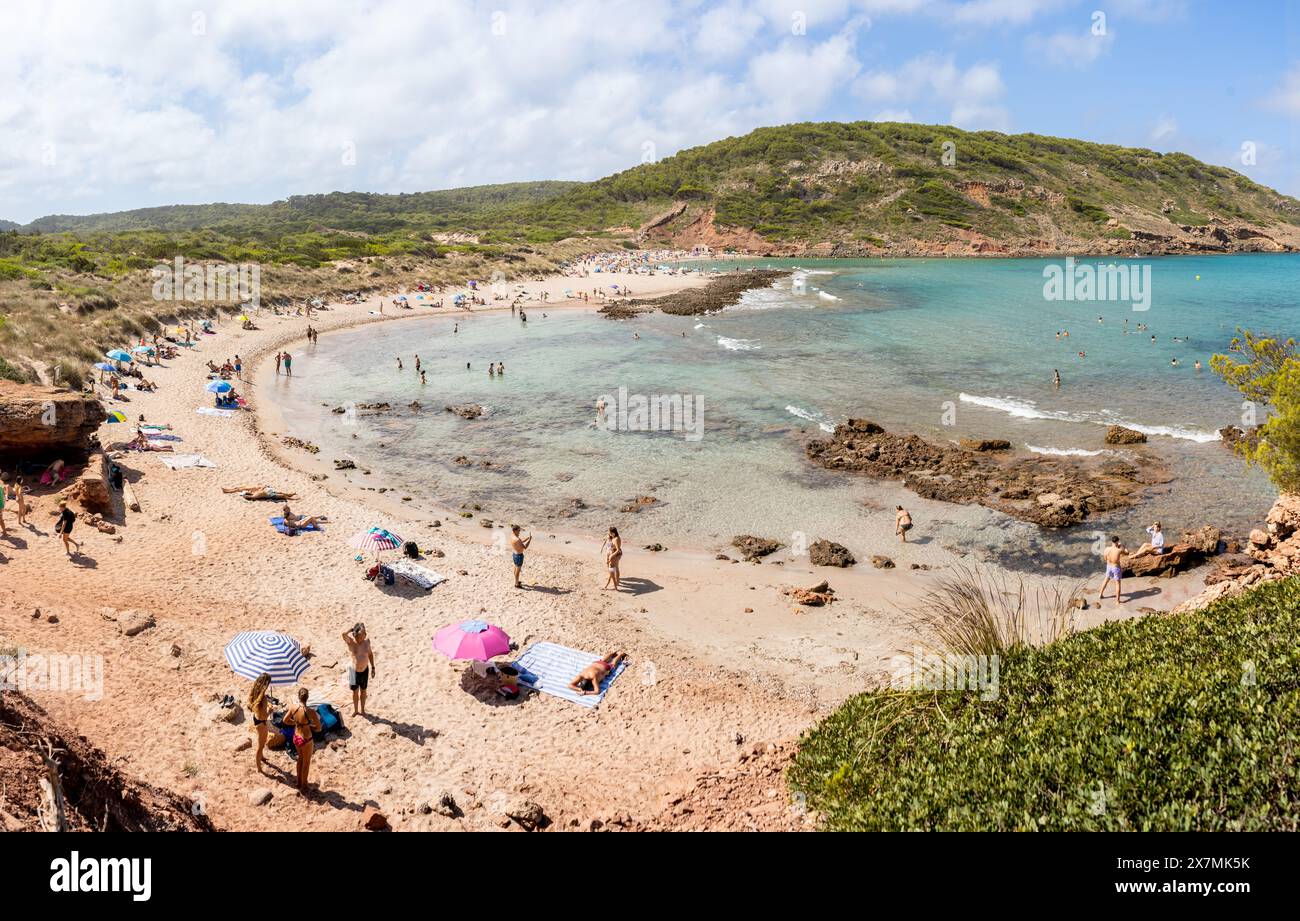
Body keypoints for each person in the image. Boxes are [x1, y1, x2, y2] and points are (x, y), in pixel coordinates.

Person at [283, 687, 322, 793]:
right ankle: (304, 786)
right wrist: (310, 726)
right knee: (306, 763)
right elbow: (319, 728)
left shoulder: (293, 708)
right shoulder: (311, 712)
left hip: (296, 737)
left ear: (298, 697)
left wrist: (296, 723)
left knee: (300, 759)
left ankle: (299, 782)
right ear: (307, 698)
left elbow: (285, 720)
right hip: (306, 739)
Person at [342, 623, 376, 717]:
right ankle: (356, 710)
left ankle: (362, 710)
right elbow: (343, 635)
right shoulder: (351, 642)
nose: (362, 637)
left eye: (363, 635)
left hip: (365, 670)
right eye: (360, 636)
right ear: (355, 635)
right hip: (353, 671)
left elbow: (370, 654)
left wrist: (373, 667)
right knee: (355, 691)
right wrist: (350, 629)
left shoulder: (367, 643)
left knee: (363, 690)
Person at [249, 673, 273, 775]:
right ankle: (259, 768)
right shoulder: (263, 698)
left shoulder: (255, 691)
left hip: (256, 718)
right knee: (260, 745)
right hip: (261, 722)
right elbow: (264, 716)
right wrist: (270, 711)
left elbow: (257, 708)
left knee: (261, 743)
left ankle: (262, 757)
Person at [1099, 536, 1126, 604]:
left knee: (1106, 579)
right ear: (1117, 542)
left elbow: (1105, 558)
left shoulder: (1107, 549)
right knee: (1117, 583)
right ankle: (1117, 601)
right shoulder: (1119, 550)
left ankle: (1100, 594)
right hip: (1116, 567)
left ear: (1112, 541)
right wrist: (1122, 546)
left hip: (1109, 566)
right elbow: (1127, 552)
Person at [508, 524, 532, 589]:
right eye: (518, 530)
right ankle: (516, 584)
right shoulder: (517, 539)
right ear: (515, 530)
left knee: (515, 567)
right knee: (518, 571)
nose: (519, 532)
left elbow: (520, 542)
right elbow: (525, 547)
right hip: (519, 556)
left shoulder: (512, 536)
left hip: (514, 554)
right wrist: (530, 540)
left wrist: (527, 538)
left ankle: (516, 581)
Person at [602, 526, 622, 590]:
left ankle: (617, 582)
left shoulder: (616, 539)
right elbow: (608, 543)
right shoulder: (613, 537)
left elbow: (618, 550)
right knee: (612, 567)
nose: (609, 534)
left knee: (616, 567)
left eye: (610, 533)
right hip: (613, 553)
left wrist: (612, 555)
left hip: (617, 554)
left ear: (613, 533)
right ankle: (612, 577)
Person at [222, 484, 297, 501]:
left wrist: (262, 488)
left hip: (266, 491)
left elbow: (250, 496)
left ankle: (228, 490)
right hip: (269, 492)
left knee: (240, 488)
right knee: (282, 494)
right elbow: (251, 497)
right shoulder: (257, 494)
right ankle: (292, 496)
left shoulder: (257, 492)